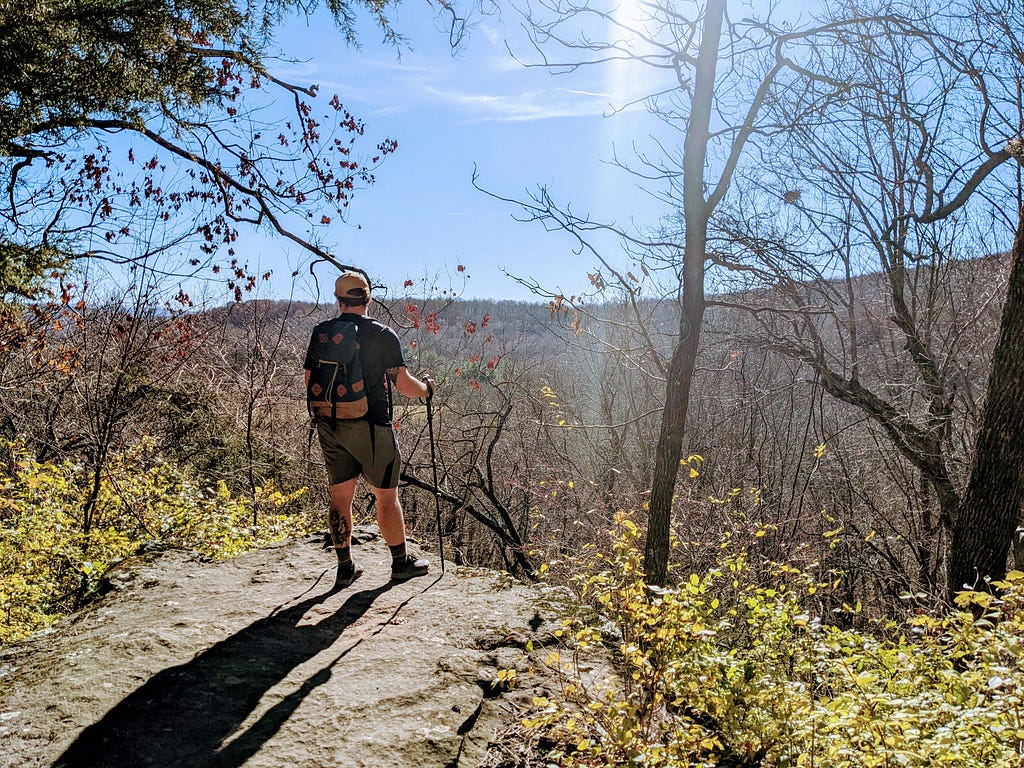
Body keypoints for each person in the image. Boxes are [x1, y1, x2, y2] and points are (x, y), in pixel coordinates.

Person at [304, 271, 434, 589]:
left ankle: (345, 567)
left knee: (340, 497)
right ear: (368, 298)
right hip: (372, 425)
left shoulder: (321, 333)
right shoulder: (381, 334)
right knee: (386, 497)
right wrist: (428, 389)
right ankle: (400, 563)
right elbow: (404, 385)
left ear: (338, 300)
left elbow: (310, 381)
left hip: (330, 424)